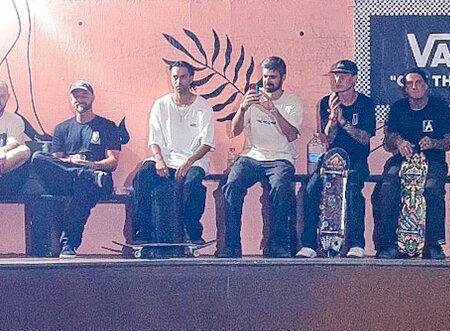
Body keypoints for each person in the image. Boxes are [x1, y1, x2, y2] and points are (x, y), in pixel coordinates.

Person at [29, 82, 122, 257]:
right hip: (72, 178)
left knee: (83, 188)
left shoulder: (107, 126)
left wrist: (91, 165)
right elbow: (55, 161)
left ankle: (69, 245)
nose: (80, 99)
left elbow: (113, 162)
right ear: (71, 100)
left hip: (99, 179)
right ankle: (86, 176)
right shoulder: (62, 128)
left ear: (92, 97)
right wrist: (72, 161)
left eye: (84, 95)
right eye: (76, 96)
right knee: (38, 157)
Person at [222, 57, 303, 257]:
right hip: (252, 155)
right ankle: (232, 246)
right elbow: (234, 131)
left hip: (280, 158)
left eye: (272, 77)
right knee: (232, 185)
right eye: (265, 76)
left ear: (283, 77)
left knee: (281, 187)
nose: (267, 81)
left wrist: (273, 110)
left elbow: (292, 135)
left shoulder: (292, 102)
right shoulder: (252, 99)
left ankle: (278, 245)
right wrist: (242, 108)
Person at [131, 60, 215, 253]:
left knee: (193, 182)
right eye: (175, 77)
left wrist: (189, 161)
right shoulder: (161, 104)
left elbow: (207, 143)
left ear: (191, 78)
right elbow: (154, 139)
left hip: (194, 159)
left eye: (183, 77)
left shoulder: (203, 106)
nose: (178, 82)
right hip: (165, 158)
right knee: (142, 176)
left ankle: (192, 232)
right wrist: (159, 159)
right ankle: (143, 233)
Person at [297, 60, 375, 258]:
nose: (338, 80)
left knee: (352, 190)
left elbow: (365, 138)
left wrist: (343, 121)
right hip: (331, 160)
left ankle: (357, 244)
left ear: (354, 79)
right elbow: (327, 139)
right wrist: (332, 118)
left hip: (356, 160)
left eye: (343, 76)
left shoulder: (365, 104)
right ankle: (309, 245)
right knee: (311, 188)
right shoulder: (326, 102)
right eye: (335, 76)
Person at [373, 70, 450, 259]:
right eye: (410, 84)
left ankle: (434, 244)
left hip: (433, 160)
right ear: (405, 89)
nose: (415, 87)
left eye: (418, 82)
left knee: (432, 189)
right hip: (403, 160)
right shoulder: (398, 108)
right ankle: (388, 244)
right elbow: (388, 140)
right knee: (387, 189)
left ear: (426, 86)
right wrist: (399, 142)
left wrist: (434, 143)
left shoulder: (439, 106)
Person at [0, 82, 32, 199]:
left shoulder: (15, 120)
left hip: (5, 174)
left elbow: (13, 142)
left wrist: (2, 151)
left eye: (2, 96)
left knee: (24, 150)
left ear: (8, 97)